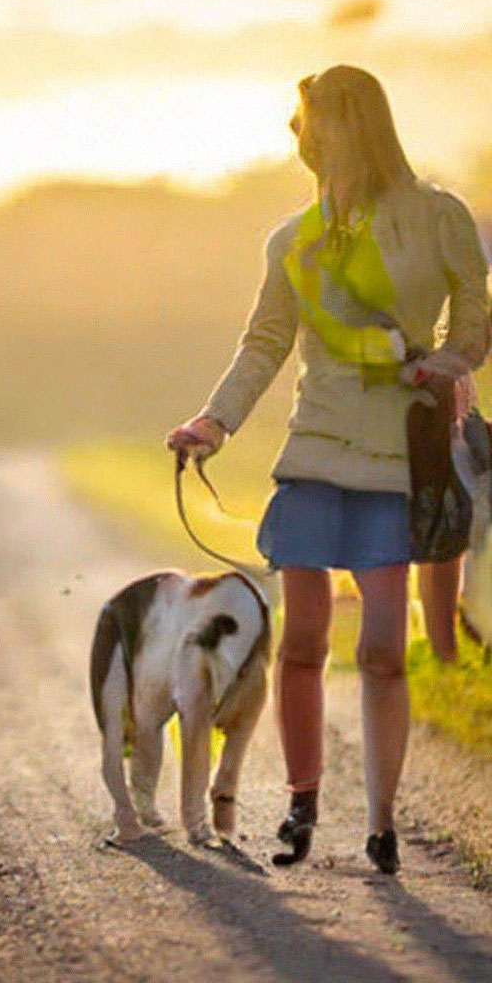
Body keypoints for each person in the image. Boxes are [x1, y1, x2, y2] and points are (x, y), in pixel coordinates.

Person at [167, 65, 491, 873]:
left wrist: (447, 364)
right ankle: (302, 805)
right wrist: (215, 421)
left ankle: (382, 824)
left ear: (355, 124)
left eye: (312, 119)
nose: (300, 135)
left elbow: (477, 313)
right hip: (312, 453)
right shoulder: (292, 240)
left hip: (393, 459)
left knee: (383, 650)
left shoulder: (437, 217)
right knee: (304, 641)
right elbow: (265, 343)